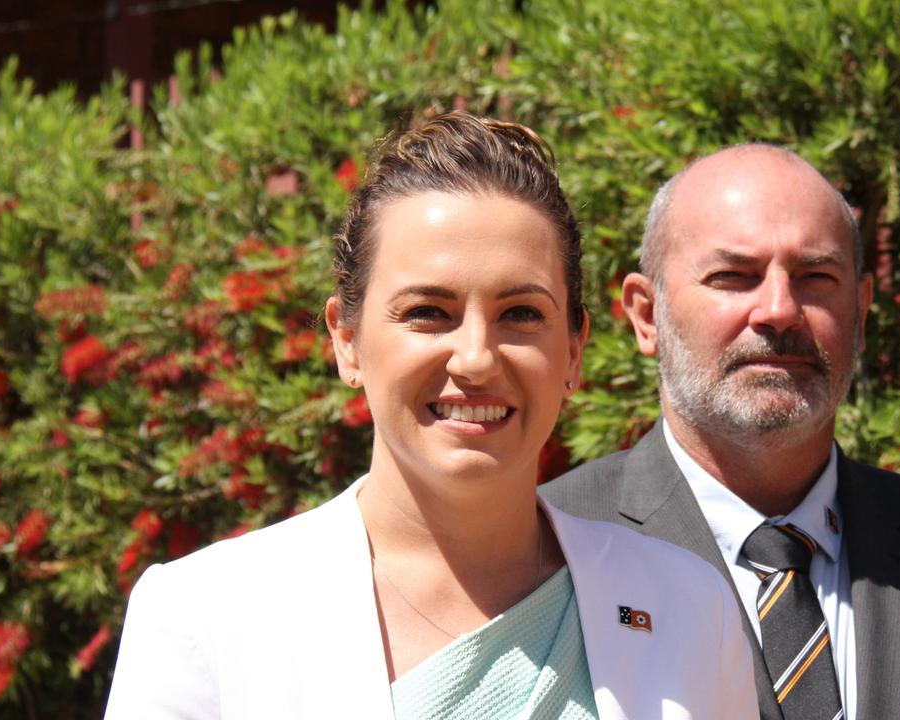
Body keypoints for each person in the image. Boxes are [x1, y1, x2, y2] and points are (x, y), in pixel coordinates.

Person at [105, 113, 757, 720]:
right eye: (428, 313)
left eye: (521, 314)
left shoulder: (689, 608)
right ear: (347, 340)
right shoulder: (206, 618)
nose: (475, 357)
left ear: (574, 349)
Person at [540, 144, 900, 720]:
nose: (780, 310)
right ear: (646, 315)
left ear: (859, 312)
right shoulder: (548, 556)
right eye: (734, 276)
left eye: (815, 276)